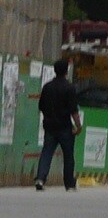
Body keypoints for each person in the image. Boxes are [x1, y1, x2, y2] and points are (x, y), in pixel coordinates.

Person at [34, 58, 82, 191]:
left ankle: (40, 178)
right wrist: (78, 126)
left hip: (49, 126)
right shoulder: (69, 88)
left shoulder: (47, 87)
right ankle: (69, 183)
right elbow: (74, 111)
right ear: (66, 71)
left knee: (46, 152)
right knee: (68, 155)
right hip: (65, 127)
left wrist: (49, 117)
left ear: (55, 71)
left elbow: (41, 106)